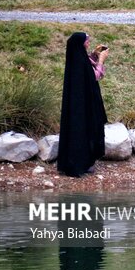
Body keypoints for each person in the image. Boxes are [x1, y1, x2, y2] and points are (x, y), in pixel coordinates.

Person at [57, 32, 109, 177]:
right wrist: (101, 61)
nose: (88, 43)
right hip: (85, 106)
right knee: (87, 129)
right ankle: (84, 162)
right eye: (86, 41)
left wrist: (93, 55)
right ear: (80, 44)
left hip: (79, 105)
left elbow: (86, 65)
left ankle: (80, 161)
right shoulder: (80, 62)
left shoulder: (76, 58)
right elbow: (94, 76)